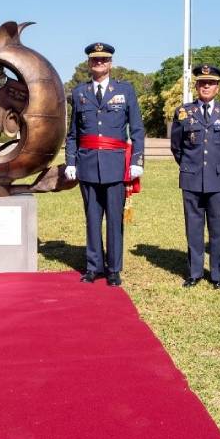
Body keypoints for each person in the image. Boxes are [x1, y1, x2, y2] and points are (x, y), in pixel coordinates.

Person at [64, 42, 145, 287]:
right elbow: (73, 134)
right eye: (95, 60)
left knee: (114, 219)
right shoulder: (79, 93)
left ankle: (113, 269)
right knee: (91, 218)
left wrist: (137, 161)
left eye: (103, 60)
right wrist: (70, 162)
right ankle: (93, 267)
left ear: (110, 63)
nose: (99, 63)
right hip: (88, 164)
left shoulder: (125, 90)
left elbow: (138, 129)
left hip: (115, 164)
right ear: (89, 63)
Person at [170, 65, 220, 289]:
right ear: (196, 86)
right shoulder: (183, 113)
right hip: (191, 178)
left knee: (218, 228)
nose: (206, 86)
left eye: (211, 83)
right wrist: (191, 166)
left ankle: (218, 275)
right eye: (202, 82)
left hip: (217, 179)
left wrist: (214, 167)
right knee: (194, 227)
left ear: (217, 87)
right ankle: (194, 272)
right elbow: (177, 147)